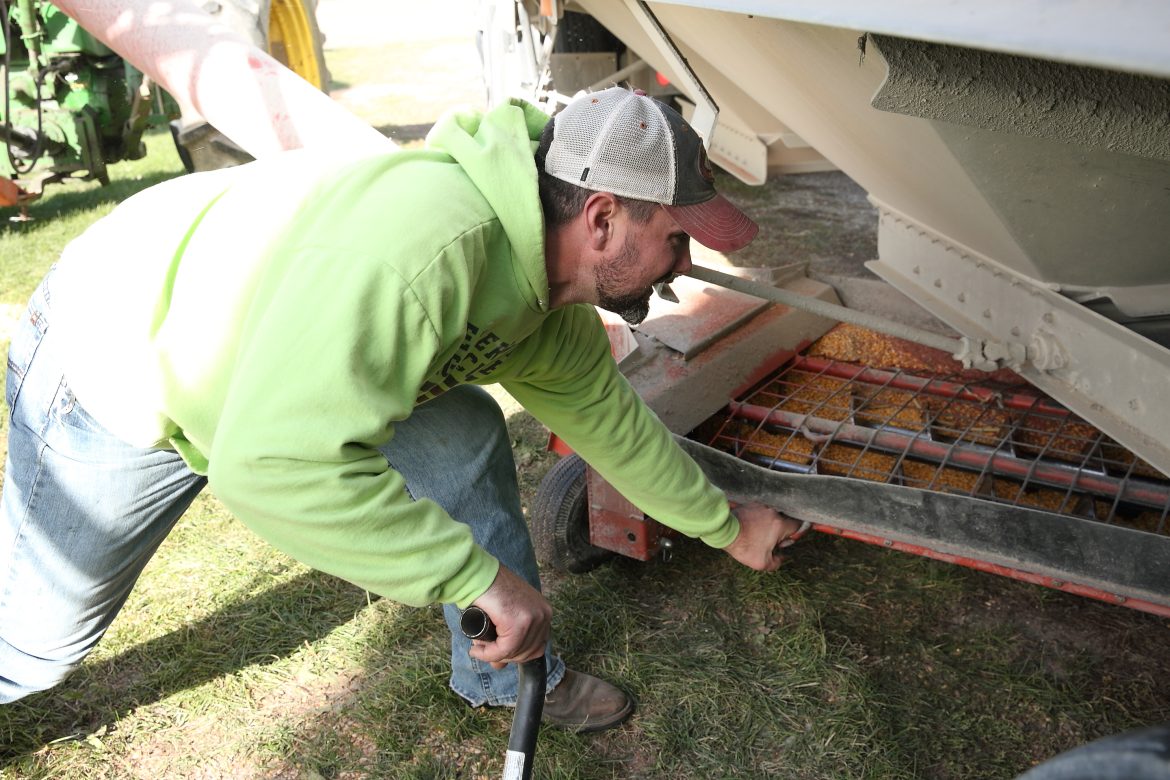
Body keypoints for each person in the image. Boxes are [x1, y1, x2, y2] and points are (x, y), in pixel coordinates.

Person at [0, 86, 803, 730]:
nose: (684, 265)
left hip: (271, 357)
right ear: (601, 217)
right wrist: (475, 577)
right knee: (37, 645)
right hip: (122, 348)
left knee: (461, 440)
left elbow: (614, 428)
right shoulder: (428, 255)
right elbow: (270, 466)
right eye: (675, 238)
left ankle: (497, 680)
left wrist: (728, 529)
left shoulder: (549, 297)